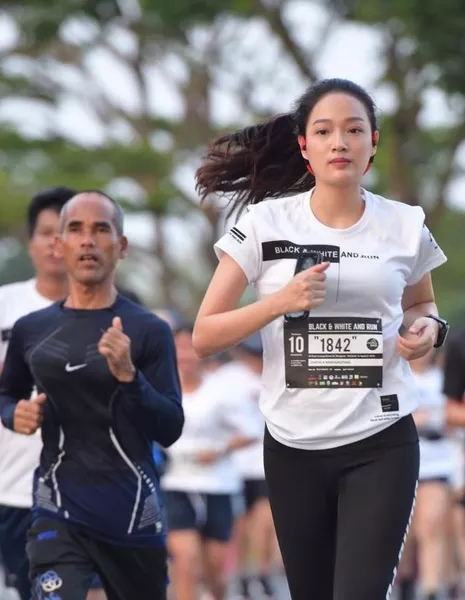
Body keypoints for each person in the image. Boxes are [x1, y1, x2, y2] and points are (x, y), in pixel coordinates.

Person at [192, 78, 450, 600]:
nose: (341, 142)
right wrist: (278, 302)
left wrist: (428, 330)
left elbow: (422, 305)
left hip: (381, 438)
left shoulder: (405, 225)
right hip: (292, 445)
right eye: (325, 131)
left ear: (372, 142)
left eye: (354, 130)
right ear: (305, 146)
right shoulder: (265, 224)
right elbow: (204, 335)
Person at [0, 190, 184, 600]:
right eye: (75, 230)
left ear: (120, 247)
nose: (87, 240)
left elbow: (170, 426)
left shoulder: (148, 330)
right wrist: (15, 414)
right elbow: (7, 394)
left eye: (101, 229)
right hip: (57, 509)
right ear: (59, 244)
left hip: (133, 514)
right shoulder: (31, 329)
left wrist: (129, 376)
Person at [0, 186, 76, 600]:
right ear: (30, 243)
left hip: (80, 490)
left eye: (64, 231)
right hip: (9, 484)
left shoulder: (114, 311)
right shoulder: (5, 304)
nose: (54, 242)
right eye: (45, 232)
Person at [161, 325, 260, 600]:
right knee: (186, 558)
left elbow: (252, 431)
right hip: (176, 483)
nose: (185, 356)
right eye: (178, 349)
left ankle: (217, 593)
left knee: (214, 570)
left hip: (218, 485)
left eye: (190, 349)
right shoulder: (161, 388)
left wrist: (220, 449)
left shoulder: (223, 390)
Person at [397, 349, 454, 600]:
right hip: (403, 461)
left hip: (437, 462)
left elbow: (452, 415)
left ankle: (431, 588)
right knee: (406, 533)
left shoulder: (442, 378)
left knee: (430, 525)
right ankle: (405, 582)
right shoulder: (398, 376)